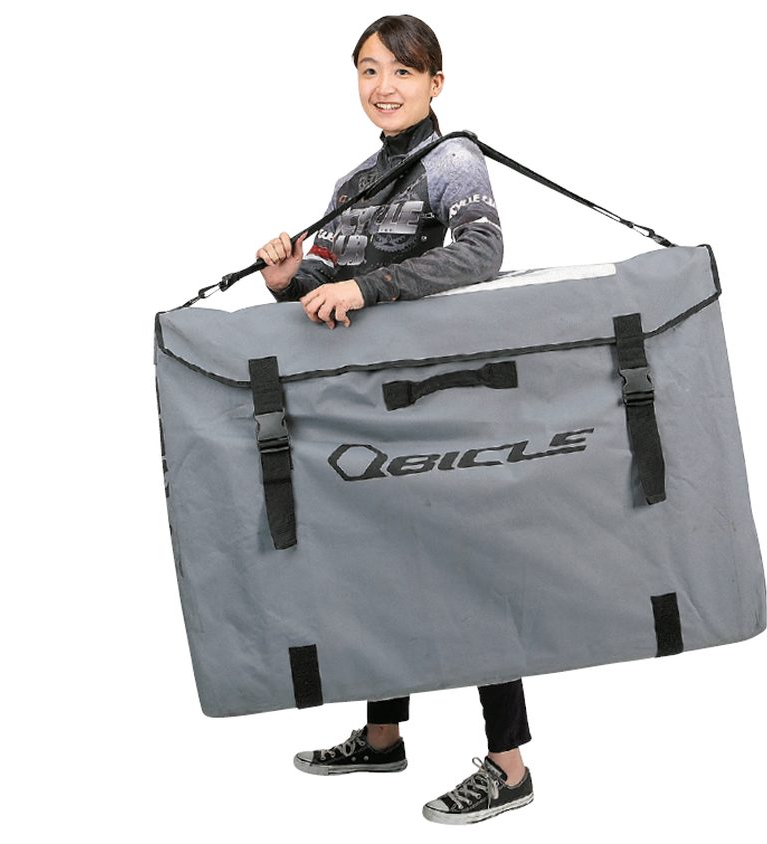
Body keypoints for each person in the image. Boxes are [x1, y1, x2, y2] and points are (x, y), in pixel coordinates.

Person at [256, 15, 533, 825]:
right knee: (378, 562)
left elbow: (481, 251)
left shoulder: (452, 160)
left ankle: (510, 767)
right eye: (369, 69)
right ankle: (382, 738)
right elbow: (331, 283)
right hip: (365, 401)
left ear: (435, 83)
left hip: (442, 400)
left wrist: (367, 289)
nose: (384, 86)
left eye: (403, 72)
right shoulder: (352, 183)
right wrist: (291, 279)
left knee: (467, 568)